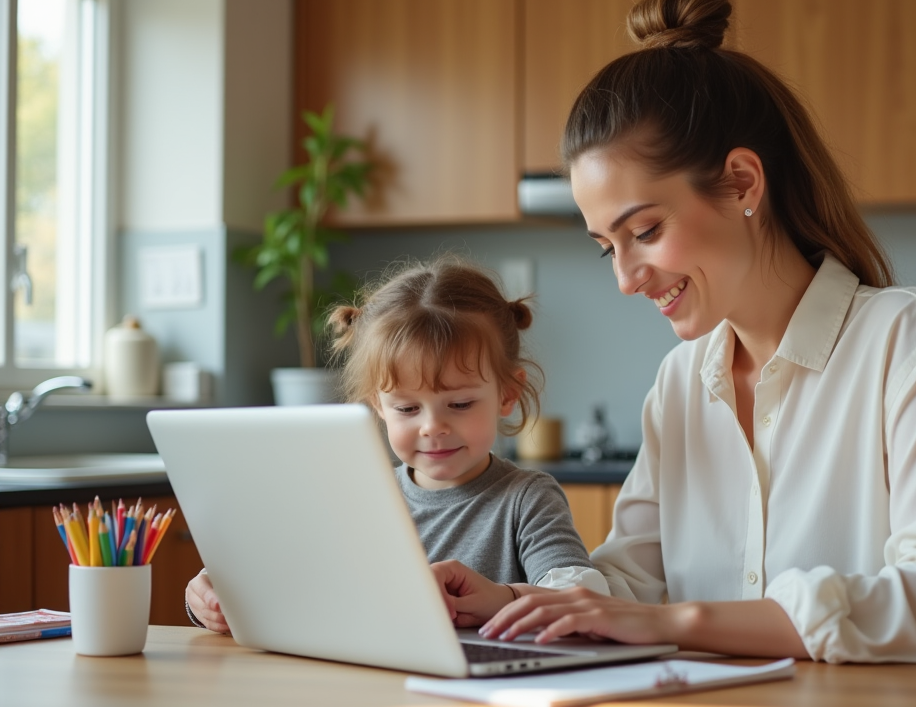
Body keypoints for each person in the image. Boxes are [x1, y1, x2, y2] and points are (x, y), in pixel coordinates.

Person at [438, 0, 916, 663]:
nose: (626, 279)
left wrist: (678, 623)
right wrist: (506, 600)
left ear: (743, 183)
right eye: (607, 250)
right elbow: (631, 583)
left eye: (646, 230)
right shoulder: (682, 381)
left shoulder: (908, 338)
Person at [184, 257, 608, 633]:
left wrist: (503, 598)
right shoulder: (356, 497)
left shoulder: (528, 499)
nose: (433, 427)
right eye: (407, 409)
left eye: (459, 404)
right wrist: (206, 599)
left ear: (507, 394)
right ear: (378, 405)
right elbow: (281, 580)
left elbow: (584, 596)